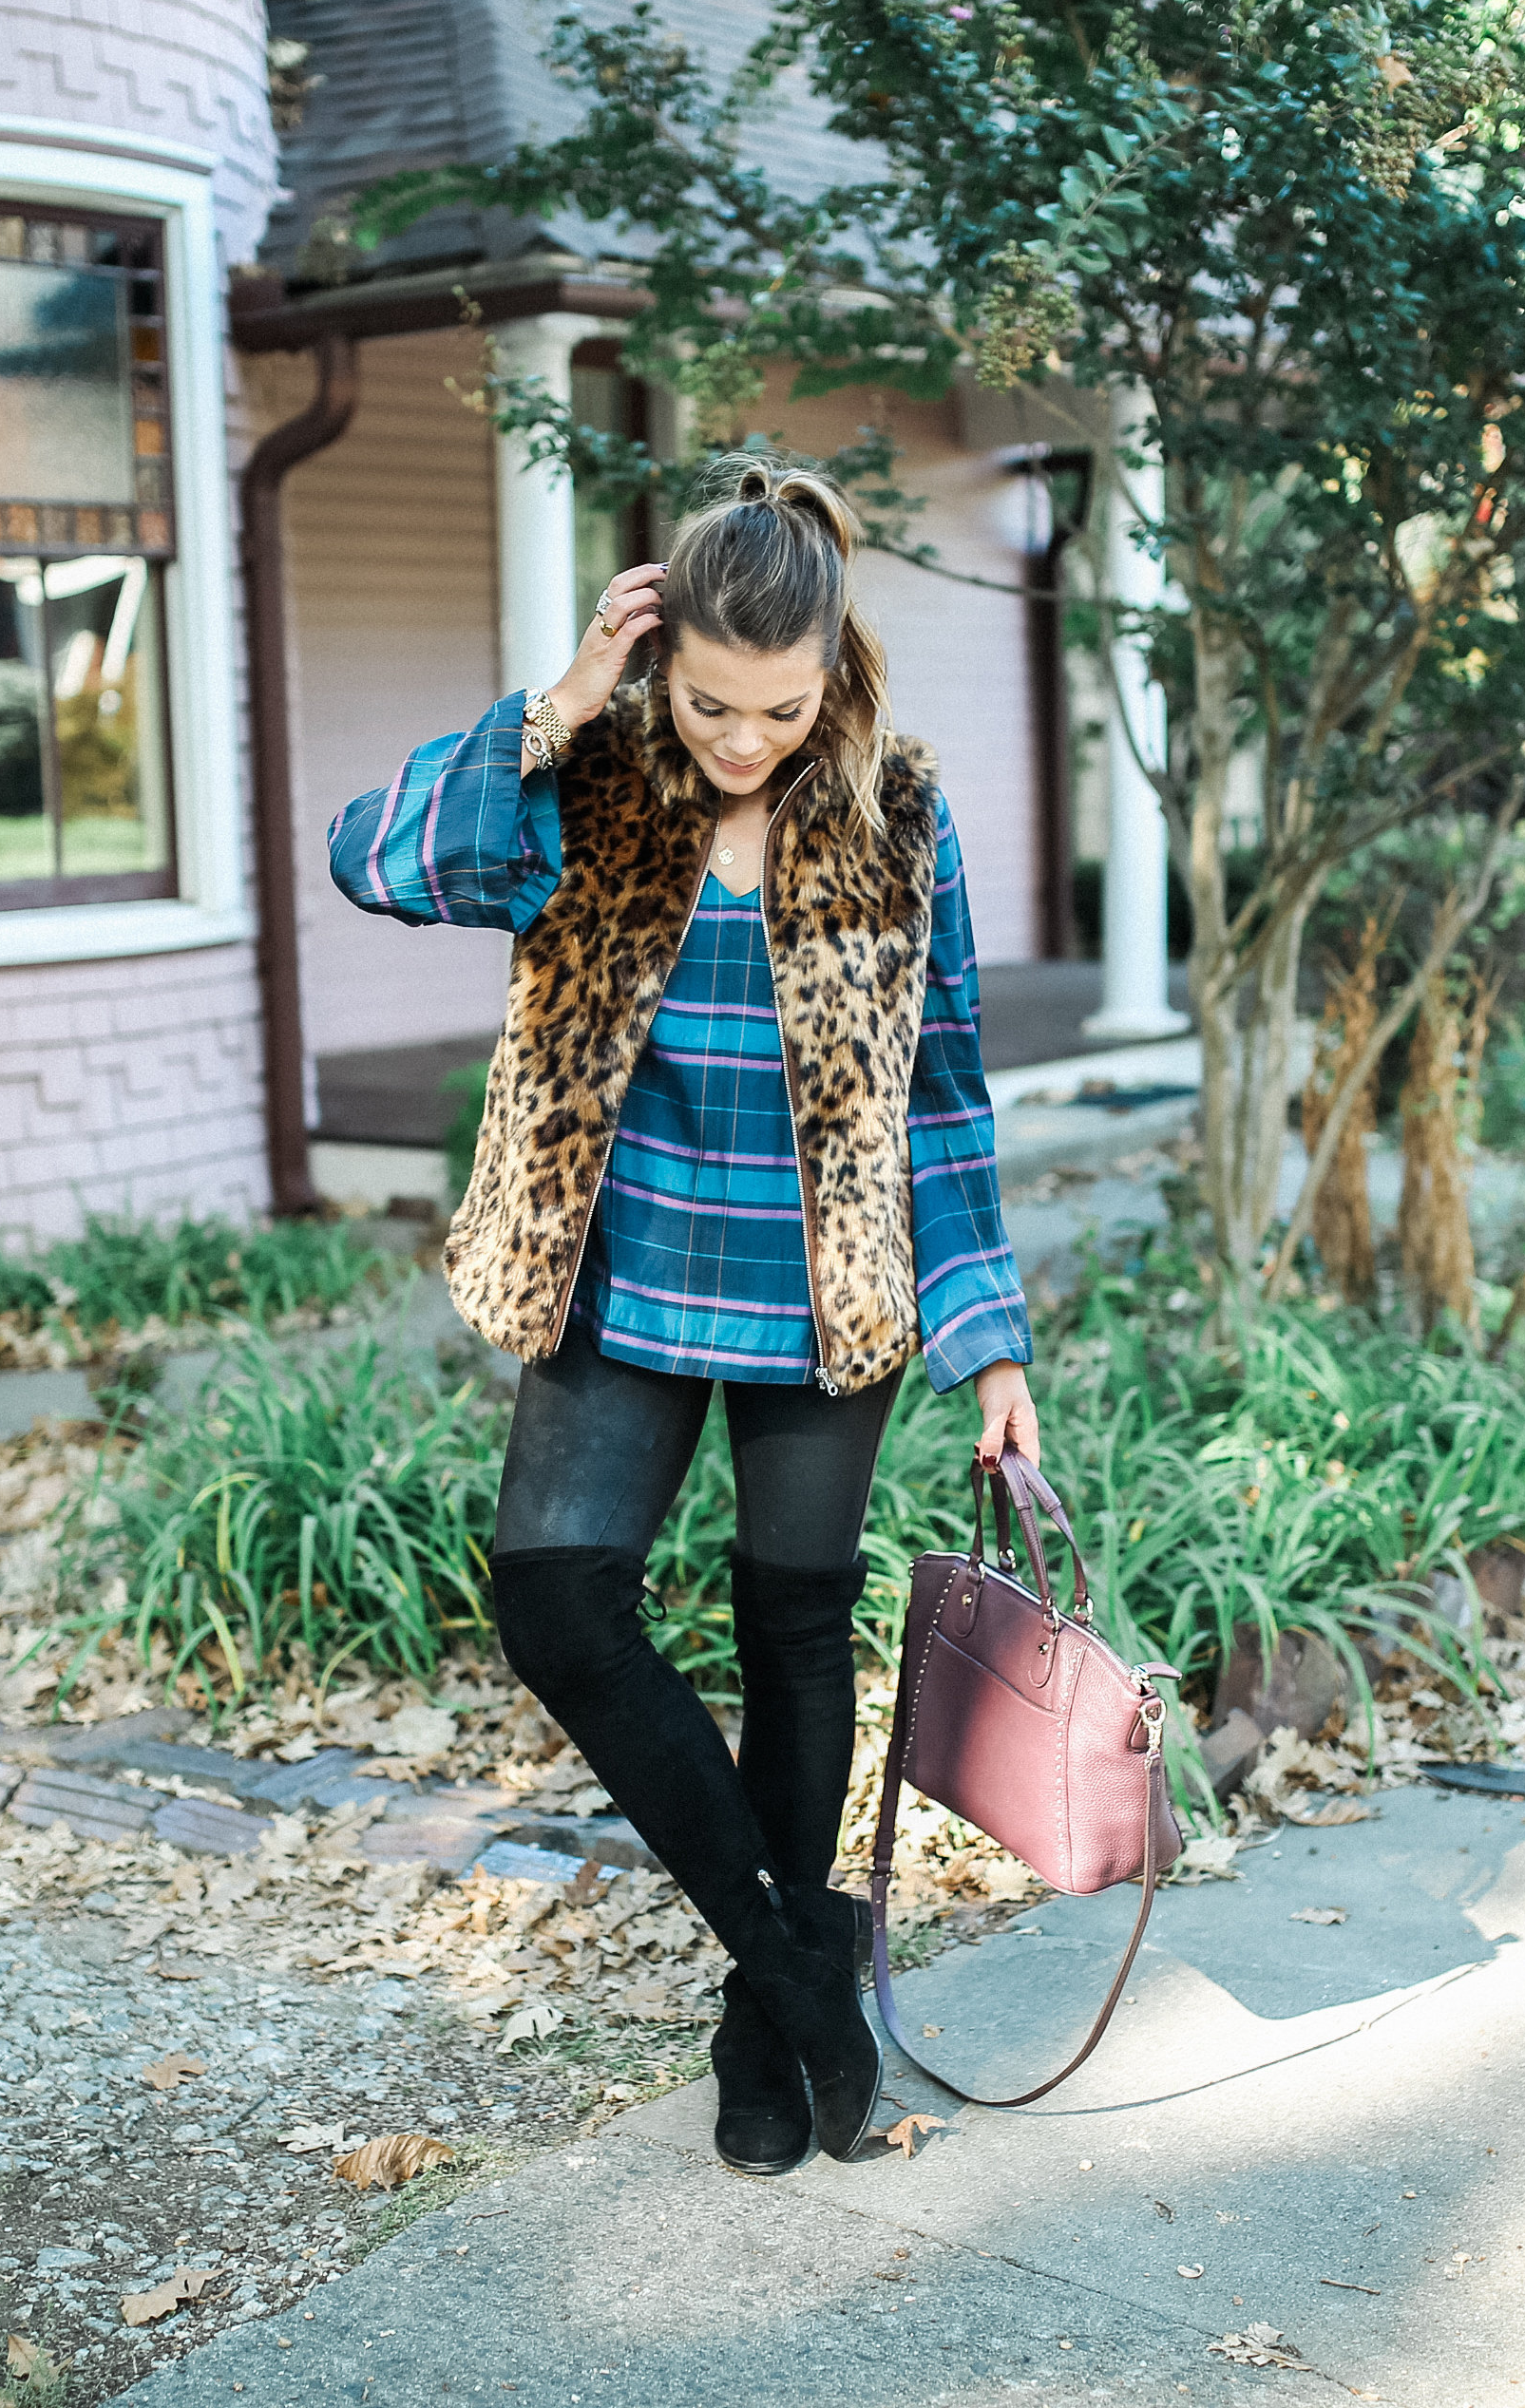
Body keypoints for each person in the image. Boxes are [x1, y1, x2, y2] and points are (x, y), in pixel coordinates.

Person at [328, 456, 1040, 2174]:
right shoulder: (586, 782)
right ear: (662, 662)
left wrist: (991, 1336)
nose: (742, 740)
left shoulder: (902, 821)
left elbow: (944, 1095)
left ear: (832, 668)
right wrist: (558, 703)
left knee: (794, 1634)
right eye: (711, 702)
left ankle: (758, 2027)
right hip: (618, 1267)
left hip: (826, 1288)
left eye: (778, 708)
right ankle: (800, 1966)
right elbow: (379, 861)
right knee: (557, 1603)